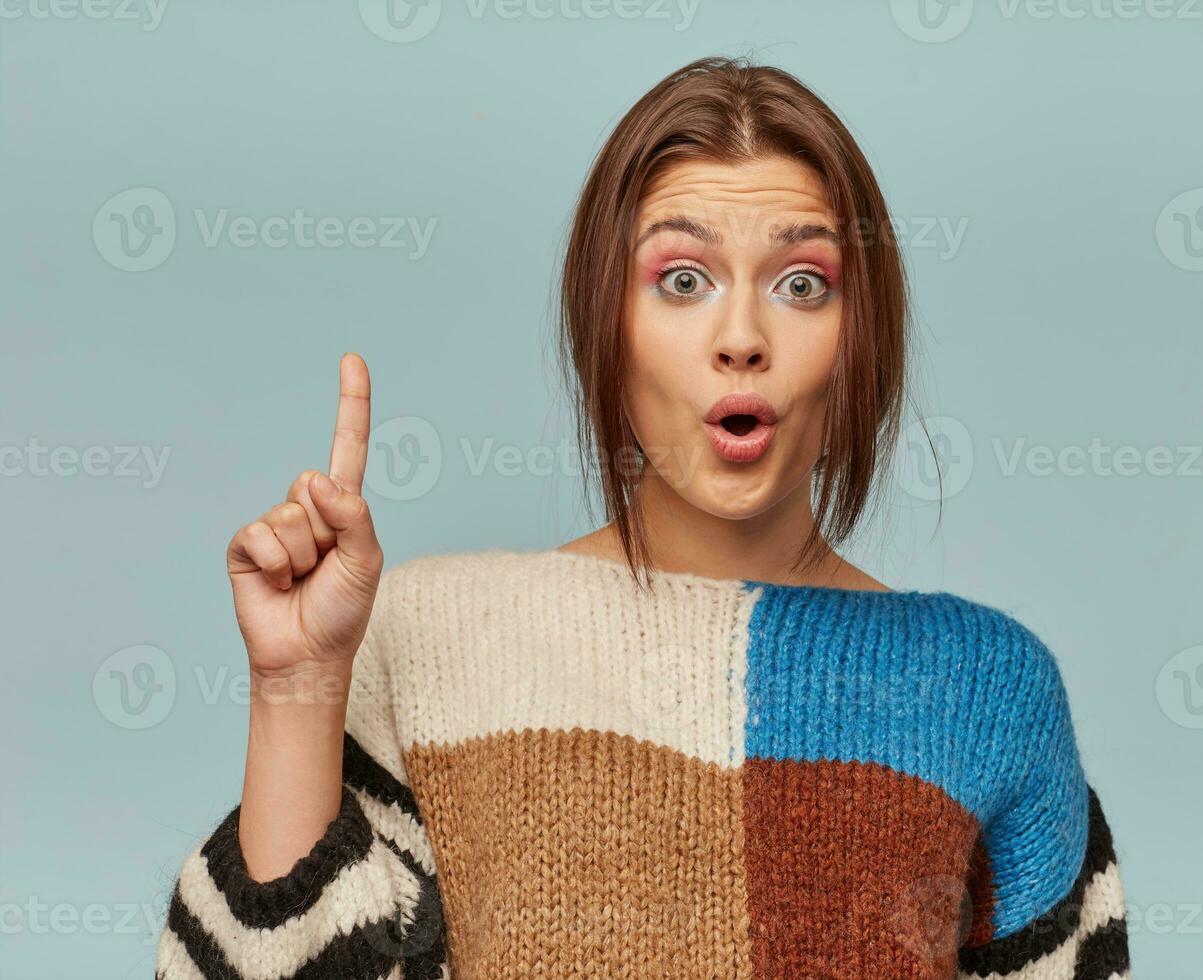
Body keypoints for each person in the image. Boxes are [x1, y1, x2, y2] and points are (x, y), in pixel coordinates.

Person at [154, 56, 1129, 979]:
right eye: (682, 280)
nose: (741, 337)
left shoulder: (989, 689)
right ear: (607, 326)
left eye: (802, 285)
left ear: (857, 337)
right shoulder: (425, 642)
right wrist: (296, 686)